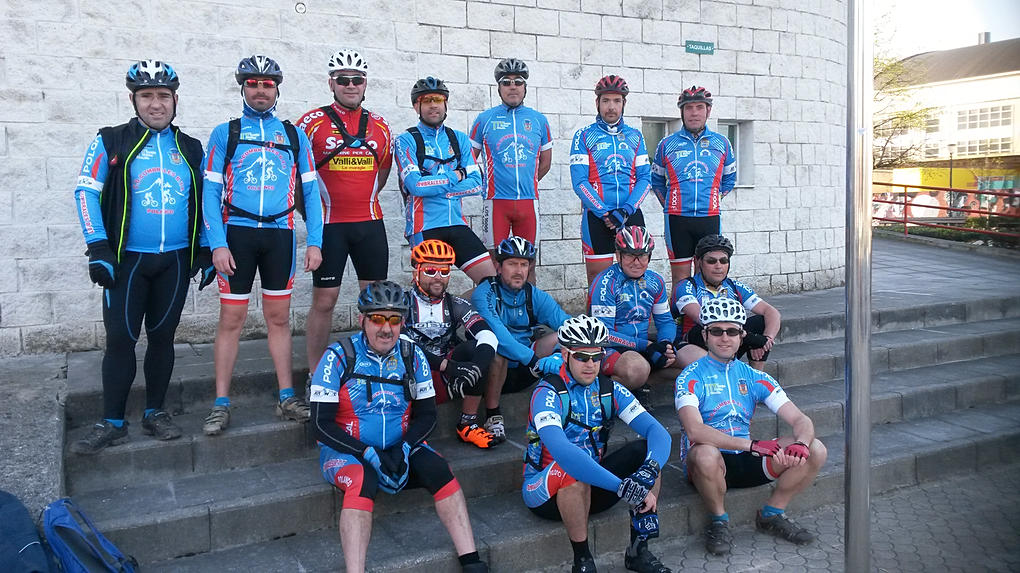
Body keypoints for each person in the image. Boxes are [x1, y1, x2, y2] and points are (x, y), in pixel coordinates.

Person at [71, 60, 213, 454]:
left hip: (175, 262)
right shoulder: (111, 140)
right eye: (146, 95)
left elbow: (205, 201)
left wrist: (204, 249)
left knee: (163, 338)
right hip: (127, 262)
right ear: (132, 100)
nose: (155, 103)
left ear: (175, 100)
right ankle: (112, 422)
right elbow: (85, 192)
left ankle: (155, 413)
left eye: (163, 95)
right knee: (121, 340)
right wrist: (99, 247)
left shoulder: (191, 147)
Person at [309, 281, 488, 573]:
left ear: (402, 322)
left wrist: (404, 448)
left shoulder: (411, 354)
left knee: (439, 469)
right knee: (362, 480)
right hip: (347, 451)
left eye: (394, 320)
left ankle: (471, 561)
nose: (386, 328)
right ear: (362, 320)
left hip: (399, 445)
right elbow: (320, 424)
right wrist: (366, 453)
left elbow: (427, 416)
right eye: (377, 319)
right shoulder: (338, 356)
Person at [202, 54, 324, 436]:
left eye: (267, 84)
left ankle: (286, 396)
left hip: (279, 236)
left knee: (278, 319)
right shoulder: (225, 132)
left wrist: (315, 241)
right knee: (232, 319)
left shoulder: (294, 135)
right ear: (243, 88)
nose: (260, 90)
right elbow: (210, 193)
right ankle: (221, 402)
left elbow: (311, 193)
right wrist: (217, 244)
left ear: (276, 90)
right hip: (236, 234)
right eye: (252, 84)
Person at [674, 298, 826, 556]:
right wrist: (753, 445)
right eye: (716, 331)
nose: (725, 338)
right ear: (705, 335)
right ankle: (719, 521)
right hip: (710, 463)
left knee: (816, 448)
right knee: (704, 453)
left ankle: (772, 514)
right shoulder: (690, 376)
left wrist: (801, 443)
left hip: (747, 456)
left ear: (742, 336)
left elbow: (801, 420)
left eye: (732, 331)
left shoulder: (754, 376)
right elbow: (694, 431)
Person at [523, 315, 673, 573]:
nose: (590, 365)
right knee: (571, 469)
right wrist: (622, 487)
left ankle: (638, 551)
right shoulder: (547, 392)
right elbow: (563, 453)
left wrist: (647, 472)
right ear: (565, 355)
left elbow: (659, 433)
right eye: (582, 357)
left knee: (646, 455)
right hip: (546, 491)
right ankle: (583, 561)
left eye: (597, 357)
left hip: (594, 484)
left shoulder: (609, 389)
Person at [297, 49, 393, 372]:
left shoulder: (381, 125)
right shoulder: (310, 123)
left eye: (357, 79)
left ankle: (372, 368)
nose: (350, 85)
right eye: (343, 80)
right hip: (330, 225)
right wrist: (311, 218)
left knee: (375, 302)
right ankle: (315, 374)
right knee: (325, 301)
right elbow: (298, 179)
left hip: (370, 223)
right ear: (331, 83)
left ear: (365, 83)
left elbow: (381, 174)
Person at [394, 76, 497, 284]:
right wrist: (456, 175)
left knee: (492, 284)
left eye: (438, 99)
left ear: (445, 103)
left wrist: (441, 189)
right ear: (416, 106)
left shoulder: (459, 138)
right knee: (431, 286)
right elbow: (416, 186)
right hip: (424, 227)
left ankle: (460, 306)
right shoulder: (405, 140)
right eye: (427, 100)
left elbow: (478, 183)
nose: (433, 105)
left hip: (457, 224)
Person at [402, 239, 501, 449]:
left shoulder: (456, 304)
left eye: (444, 271)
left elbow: (488, 336)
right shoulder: (402, 303)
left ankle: (467, 424)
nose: (438, 277)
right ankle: (406, 428)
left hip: (444, 378)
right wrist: (450, 367)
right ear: (416, 272)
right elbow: (402, 344)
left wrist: (474, 369)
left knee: (476, 349)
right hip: (412, 375)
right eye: (430, 270)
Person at [471, 236, 570, 443]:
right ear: (498, 267)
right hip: (494, 371)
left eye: (524, 264)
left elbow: (567, 325)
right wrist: (534, 361)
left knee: (564, 337)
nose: (518, 270)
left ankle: (569, 405)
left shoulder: (534, 295)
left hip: (526, 368)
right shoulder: (485, 292)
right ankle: (493, 415)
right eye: (512, 264)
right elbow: (501, 337)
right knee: (496, 348)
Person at [650, 86, 736, 289]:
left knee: (706, 277)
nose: (694, 113)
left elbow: (730, 178)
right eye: (689, 108)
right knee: (680, 279)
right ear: (682, 112)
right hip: (677, 219)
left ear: (708, 111)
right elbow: (657, 180)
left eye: (699, 107)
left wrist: (714, 198)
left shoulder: (722, 143)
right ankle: (678, 311)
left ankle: (702, 311)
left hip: (709, 218)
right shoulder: (667, 144)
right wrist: (669, 204)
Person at [570, 75, 652, 285]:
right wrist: (604, 212)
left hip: (629, 214)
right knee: (598, 280)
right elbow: (579, 181)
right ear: (597, 103)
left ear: (624, 103)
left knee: (635, 278)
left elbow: (645, 179)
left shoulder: (636, 136)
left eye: (617, 101)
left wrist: (625, 211)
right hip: (597, 216)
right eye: (606, 100)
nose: (611, 107)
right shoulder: (584, 135)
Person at [469, 58, 553, 253]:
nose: (512, 86)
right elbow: (469, 159)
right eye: (506, 82)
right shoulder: (484, 119)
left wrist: (529, 180)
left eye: (518, 82)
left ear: (525, 87)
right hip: (495, 202)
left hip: (528, 201)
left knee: (529, 260)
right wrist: (485, 181)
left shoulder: (539, 120)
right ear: (499, 88)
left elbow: (546, 162)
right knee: (494, 260)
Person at [588, 226, 677, 399]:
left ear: (649, 256)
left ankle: (640, 384)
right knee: (637, 369)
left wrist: (665, 344)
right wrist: (646, 346)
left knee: (693, 361)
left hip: (642, 346)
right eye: (630, 255)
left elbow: (666, 321)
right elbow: (603, 335)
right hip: (610, 348)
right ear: (618, 255)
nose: (637, 262)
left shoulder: (655, 281)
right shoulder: (605, 283)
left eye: (642, 255)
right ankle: (600, 393)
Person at [670, 235, 780, 370]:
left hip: (728, 341)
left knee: (760, 323)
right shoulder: (686, 286)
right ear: (699, 262)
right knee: (706, 329)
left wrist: (766, 339)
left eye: (723, 261)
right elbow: (703, 318)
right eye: (711, 261)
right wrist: (751, 338)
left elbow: (771, 312)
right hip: (693, 343)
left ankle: (756, 376)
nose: (718, 266)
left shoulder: (734, 286)